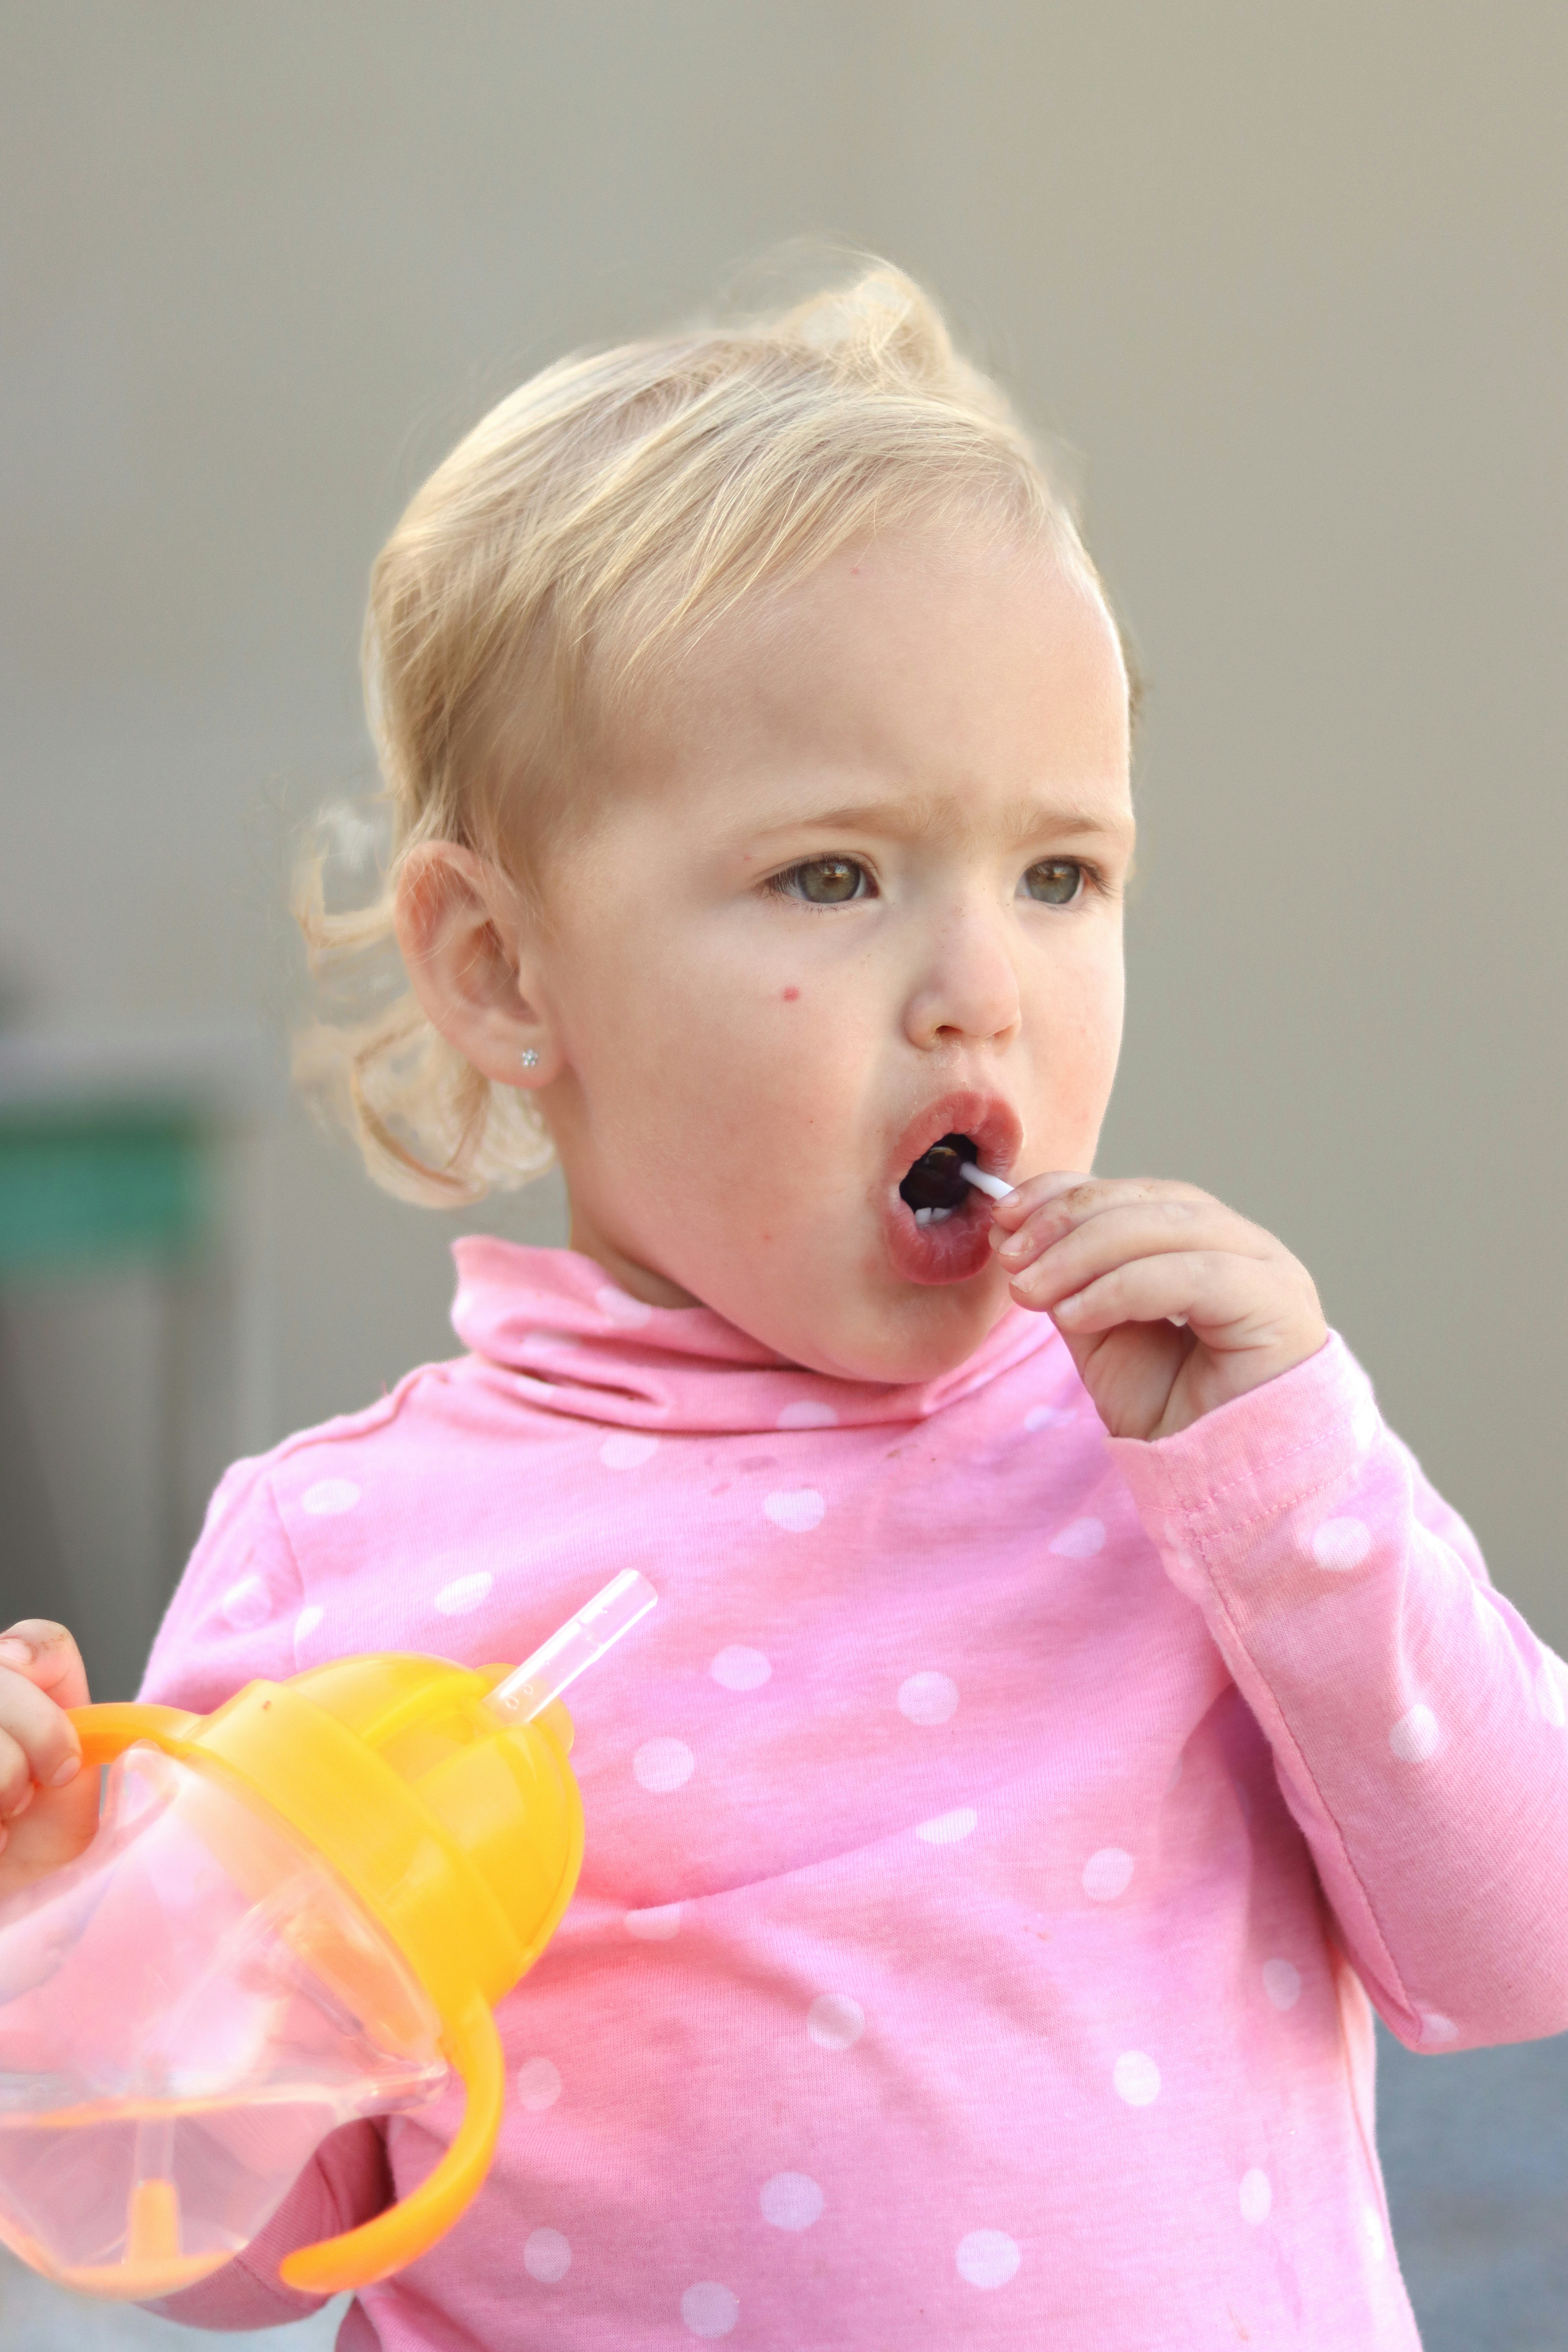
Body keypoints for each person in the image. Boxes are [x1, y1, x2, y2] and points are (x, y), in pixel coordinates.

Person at [2, 263, 1564, 2349]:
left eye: (1062, 876)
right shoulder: (346, 1562)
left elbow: (1517, 1939)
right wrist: (63, 1918)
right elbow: (223, 2245)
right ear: (498, 969)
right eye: (835, 876)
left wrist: (1304, 1482)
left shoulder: (1189, 1481)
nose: (978, 982)